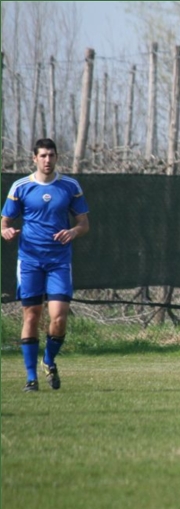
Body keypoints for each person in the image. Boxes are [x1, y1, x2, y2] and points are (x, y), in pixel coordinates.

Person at [1, 138, 90, 392]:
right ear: (34, 158)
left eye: (51, 155)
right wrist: (5, 231)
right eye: (42, 155)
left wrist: (73, 232)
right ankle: (31, 378)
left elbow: (84, 224)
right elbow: (4, 222)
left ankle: (48, 360)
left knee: (59, 317)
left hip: (59, 261)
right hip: (30, 261)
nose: (47, 160)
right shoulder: (21, 187)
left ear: (57, 157)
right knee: (31, 315)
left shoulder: (69, 186)